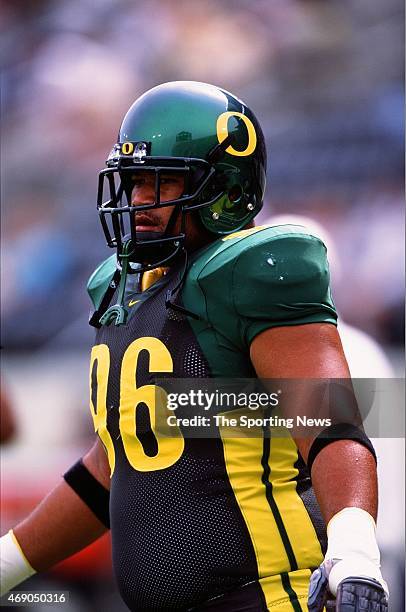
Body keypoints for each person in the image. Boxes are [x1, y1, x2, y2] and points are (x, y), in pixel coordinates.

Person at [0, 81, 388, 611]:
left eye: (159, 184)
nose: (137, 201)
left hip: (268, 597)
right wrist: (8, 564)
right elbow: (117, 464)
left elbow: (329, 420)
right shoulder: (126, 288)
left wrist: (354, 547)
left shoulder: (253, 270)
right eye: (132, 183)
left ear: (225, 187)